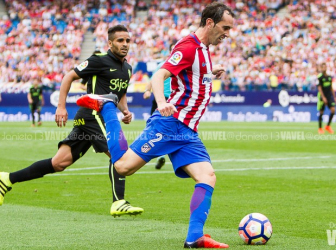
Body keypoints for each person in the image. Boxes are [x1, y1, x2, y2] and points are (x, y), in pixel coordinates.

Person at [76, 3, 234, 248]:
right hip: (170, 124)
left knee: (207, 176)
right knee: (122, 167)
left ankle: (194, 237)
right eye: (225, 27)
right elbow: (160, 74)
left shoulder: (204, 49)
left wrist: (210, 74)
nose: (228, 33)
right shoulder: (188, 46)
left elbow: (190, 77)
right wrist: (161, 102)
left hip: (188, 131)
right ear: (210, 23)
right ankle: (108, 106)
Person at [0, 25, 143, 217]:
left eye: (127, 40)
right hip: (93, 114)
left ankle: (7, 179)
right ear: (110, 43)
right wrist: (61, 106)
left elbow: (121, 92)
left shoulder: (127, 68)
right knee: (119, 155)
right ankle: (118, 202)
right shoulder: (99, 60)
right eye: (120, 40)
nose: (125, 44)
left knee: (59, 162)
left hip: (97, 118)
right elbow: (69, 76)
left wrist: (125, 110)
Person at [143, 61, 172, 170]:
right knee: (154, 126)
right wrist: (147, 90)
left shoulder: (183, 64)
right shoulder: (163, 65)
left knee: (165, 128)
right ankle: (160, 154)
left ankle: (160, 154)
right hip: (160, 99)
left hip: (173, 100)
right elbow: (154, 78)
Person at [317, 63, 336, 134]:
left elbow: (331, 87)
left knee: (333, 110)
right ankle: (320, 128)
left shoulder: (329, 77)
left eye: (325, 67)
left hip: (329, 96)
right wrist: (323, 97)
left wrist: (334, 97)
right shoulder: (320, 77)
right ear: (321, 68)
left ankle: (328, 126)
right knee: (321, 112)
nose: (324, 68)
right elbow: (319, 88)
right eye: (322, 67)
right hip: (323, 96)